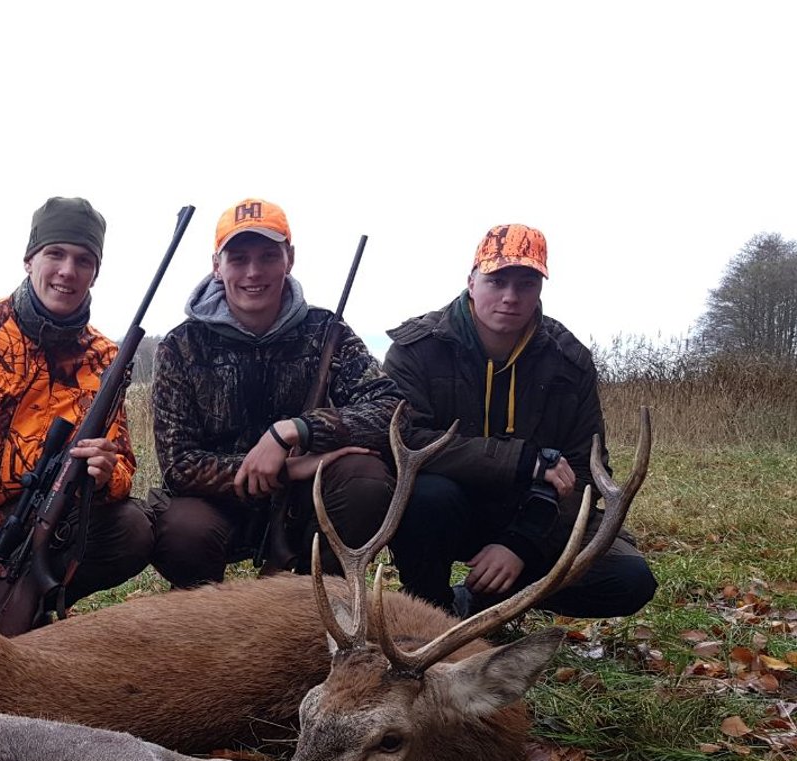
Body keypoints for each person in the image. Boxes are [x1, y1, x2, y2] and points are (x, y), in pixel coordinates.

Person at [383, 223, 656, 618]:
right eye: (497, 281)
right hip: (447, 506)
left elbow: (586, 470)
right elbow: (407, 440)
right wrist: (522, 460)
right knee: (427, 496)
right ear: (472, 282)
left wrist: (522, 543)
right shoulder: (417, 349)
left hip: (533, 513)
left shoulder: (569, 360)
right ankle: (430, 614)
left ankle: (480, 604)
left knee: (629, 580)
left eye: (526, 284)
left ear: (540, 288)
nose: (510, 297)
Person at [0, 195, 153, 624]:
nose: (67, 271)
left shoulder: (105, 357)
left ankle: (40, 593)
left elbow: (123, 467)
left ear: (95, 273)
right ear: (29, 260)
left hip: (53, 528)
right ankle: (14, 604)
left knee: (133, 529)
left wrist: (106, 473)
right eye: (55, 253)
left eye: (83, 260)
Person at [148, 198, 402, 588]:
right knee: (182, 529)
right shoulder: (181, 345)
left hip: (304, 502)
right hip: (218, 505)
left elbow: (390, 410)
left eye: (268, 256)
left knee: (363, 479)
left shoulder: (326, 331)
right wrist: (281, 469)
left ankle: (325, 599)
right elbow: (179, 465)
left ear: (290, 259)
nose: (254, 272)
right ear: (217, 265)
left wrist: (298, 429)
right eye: (238, 259)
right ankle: (202, 613)